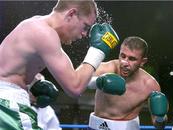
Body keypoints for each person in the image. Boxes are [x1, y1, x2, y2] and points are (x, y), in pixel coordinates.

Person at [0, 0, 120, 129]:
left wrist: (33, 82)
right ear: (71, 14)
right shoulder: (44, 34)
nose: (84, 34)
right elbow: (75, 87)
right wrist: (98, 51)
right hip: (7, 104)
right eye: (85, 26)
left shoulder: (37, 26)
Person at [87, 36, 169, 130]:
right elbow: (79, 82)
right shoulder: (107, 69)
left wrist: (160, 117)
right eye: (123, 56)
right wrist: (97, 82)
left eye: (132, 59)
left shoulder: (150, 85)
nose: (125, 62)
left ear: (142, 62)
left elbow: (159, 126)